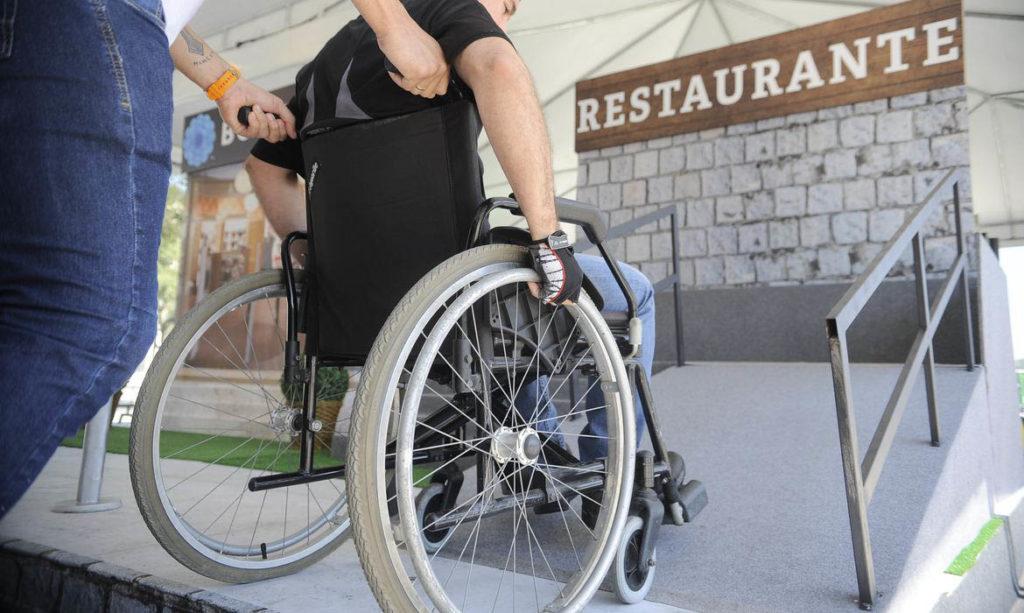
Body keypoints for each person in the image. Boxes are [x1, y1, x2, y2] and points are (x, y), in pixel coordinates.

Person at [0, 0, 470, 518]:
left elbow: (261, 164)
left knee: (30, 301)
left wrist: (225, 83)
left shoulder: (319, 76)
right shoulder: (458, 26)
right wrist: (393, 25)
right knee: (88, 323)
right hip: (97, 20)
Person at [245, 0, 656, 462]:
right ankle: (605, 464)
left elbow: (263, 168)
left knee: (509, 299)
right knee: (631, 292)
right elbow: (500, 68)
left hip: (363, 313)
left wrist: (320, 263)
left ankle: (542, 453)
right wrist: (549, 238)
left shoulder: (324, 64)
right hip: (456, 296)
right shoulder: (449, 13)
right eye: (507, 6)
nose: (505, 20)